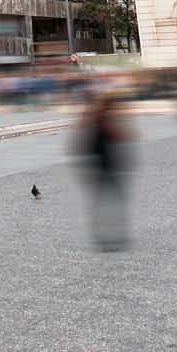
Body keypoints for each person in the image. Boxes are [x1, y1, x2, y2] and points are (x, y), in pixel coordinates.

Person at [76, 89, 133, 251]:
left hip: (103, 167)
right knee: (107, 203)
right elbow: (120, 136)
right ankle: (105, 237)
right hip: (103, 168)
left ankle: (107, 236)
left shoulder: (95, 119)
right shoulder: (100, 120)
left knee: (106, 202)